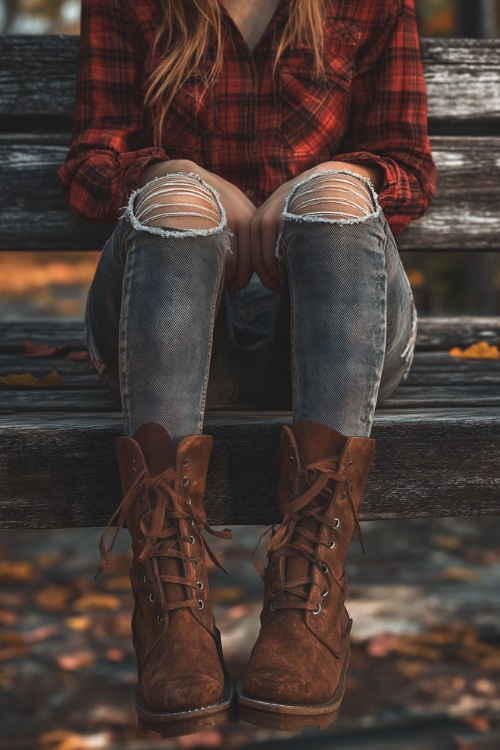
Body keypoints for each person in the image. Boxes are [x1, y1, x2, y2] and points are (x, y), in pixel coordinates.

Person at [58, 0, 437, 738]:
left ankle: (309, 591)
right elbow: (89, 164)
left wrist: (316, 185)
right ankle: (169, 597)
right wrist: (183, 177)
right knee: (176, 202)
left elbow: (409, 168)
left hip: (337, 343)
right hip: (175, 338)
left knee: (336, 194)